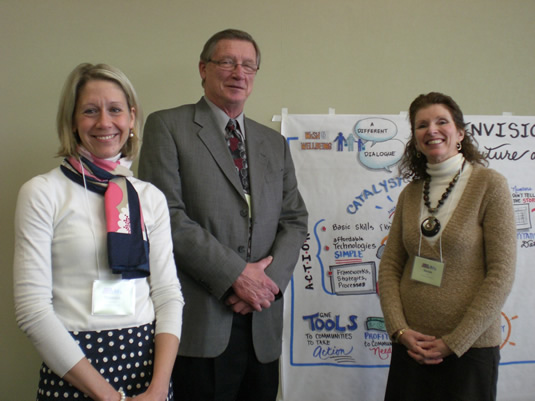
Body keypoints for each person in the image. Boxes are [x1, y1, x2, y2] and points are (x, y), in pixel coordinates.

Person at [138, 29, 308, 401]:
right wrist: (235, 276)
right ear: (203, 68)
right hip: (200, 324)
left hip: (262, 324)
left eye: (249, 65)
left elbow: (295, 220)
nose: (239, 72)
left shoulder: (273, 143)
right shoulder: (167, 126)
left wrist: (267, 283)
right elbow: (165, 214)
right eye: (227, 62)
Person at [13, 63, 184, 401]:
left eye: (115, 110)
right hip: (74, 371)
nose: (105, 123)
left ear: (131, 118)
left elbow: (167, 295)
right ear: (73, 122)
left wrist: (158, 389)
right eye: (90, 111)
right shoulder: (43, 193)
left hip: (148, 372)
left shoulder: (149, 197)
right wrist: (108, 397)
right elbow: (32, 310)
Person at [378, 92, 516, 401]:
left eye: (442, 121)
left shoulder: (490, 186)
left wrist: (455, 341)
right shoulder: (410, 195)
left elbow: (501, 273)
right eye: (421, 125)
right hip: (411, 348)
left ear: (461, 133)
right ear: (414, 138)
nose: (432, 130)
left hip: (470, 350)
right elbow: (389, 268)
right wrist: (399, 331)